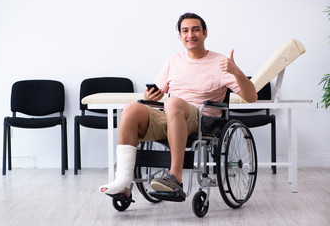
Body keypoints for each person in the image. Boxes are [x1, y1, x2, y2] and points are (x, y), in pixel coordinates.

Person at [99, 12, 257, 197]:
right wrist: (151, 95)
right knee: (131, 108)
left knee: (173, 103)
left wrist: (237, 72)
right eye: (185, 31)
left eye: (196, 30)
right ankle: (123, 183)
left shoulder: (222, 63)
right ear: (180, 36)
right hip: (171, 115)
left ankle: (175, 177)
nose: (190, 35)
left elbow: (251, 96)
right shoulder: (173, 60)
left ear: (205, 33)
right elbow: (155, 92)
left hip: (202, 119)